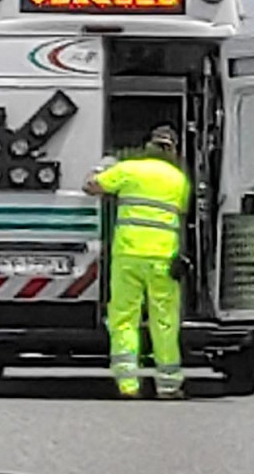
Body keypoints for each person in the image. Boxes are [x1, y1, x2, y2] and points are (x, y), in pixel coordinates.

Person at [84, 125, 191, 399]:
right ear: (173, 149)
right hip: (163, 259)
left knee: (124, 318)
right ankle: (168, 384)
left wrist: (100, 169)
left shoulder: (129, 169)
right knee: (165, 321)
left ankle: (128, 385)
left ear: (149, 146)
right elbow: (182, 213)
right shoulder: (178, 180)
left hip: (128, 256)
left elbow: (91, 187)